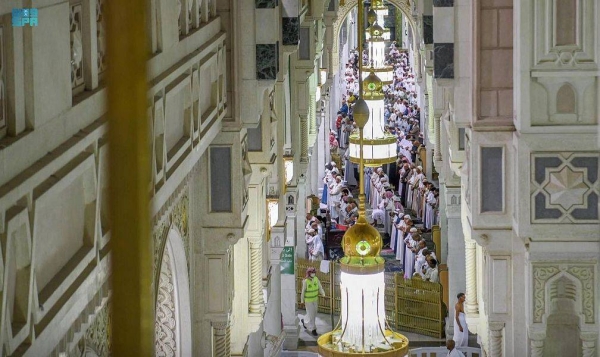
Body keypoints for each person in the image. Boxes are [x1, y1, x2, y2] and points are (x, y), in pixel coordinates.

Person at [301, 267, 325, 336]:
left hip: (315, 299)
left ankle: (304, 322)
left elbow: (320, 287)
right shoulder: (306, 281)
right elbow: (303, 292)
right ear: (309, 273)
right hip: (308, 301)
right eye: (312, 273)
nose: (313, 274)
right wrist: (302, 301)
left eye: (314, 273)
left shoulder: (316, 279)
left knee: (313, 313)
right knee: (311, 314)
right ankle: (313, 329)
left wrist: (323, 294)